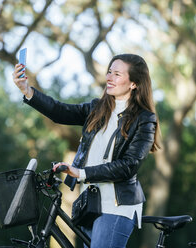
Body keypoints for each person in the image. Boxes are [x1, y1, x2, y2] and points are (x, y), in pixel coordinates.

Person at [12, 54, 161, 248]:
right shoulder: (96, 109)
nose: (109, 77)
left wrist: (81, 173)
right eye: (109, 72)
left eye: (117, 74)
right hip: (90, 205)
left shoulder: (144, 119)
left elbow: (129, 165)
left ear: (133, 83)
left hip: (117, 207)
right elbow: (59, 111)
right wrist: (26, 89)